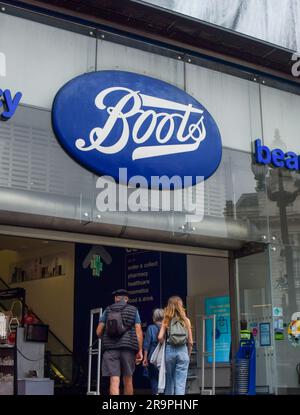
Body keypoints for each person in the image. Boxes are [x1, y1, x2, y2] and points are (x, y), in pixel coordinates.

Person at [96, 289, 143, 395]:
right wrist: (140, 350)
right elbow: (138, 331)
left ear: (115, 299)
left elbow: (98, 331)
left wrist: (104, 339)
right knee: (128, 379)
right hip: (128, 349)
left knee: (114, 379)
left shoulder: (107, 310)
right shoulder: (133, 310)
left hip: (111, 350)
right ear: (126, 299)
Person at [158, 296, 193, 395]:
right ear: (181, 306)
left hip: (170, 351)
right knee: (180, 383)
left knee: (169, 381)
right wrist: (188, 354)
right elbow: (190, 342)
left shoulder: (166, 320)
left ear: (169, 306)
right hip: (183, 351)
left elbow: (160, 337)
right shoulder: (186, 320)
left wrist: (164, 344)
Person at [142, 308, 164, 394]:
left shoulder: (151, 328)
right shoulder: (166, 327)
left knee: (154, 379)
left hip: (153, 357)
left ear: (154, 317)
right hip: (164, 356)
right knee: (165, 378)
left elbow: (146, 345)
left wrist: (145, 358)